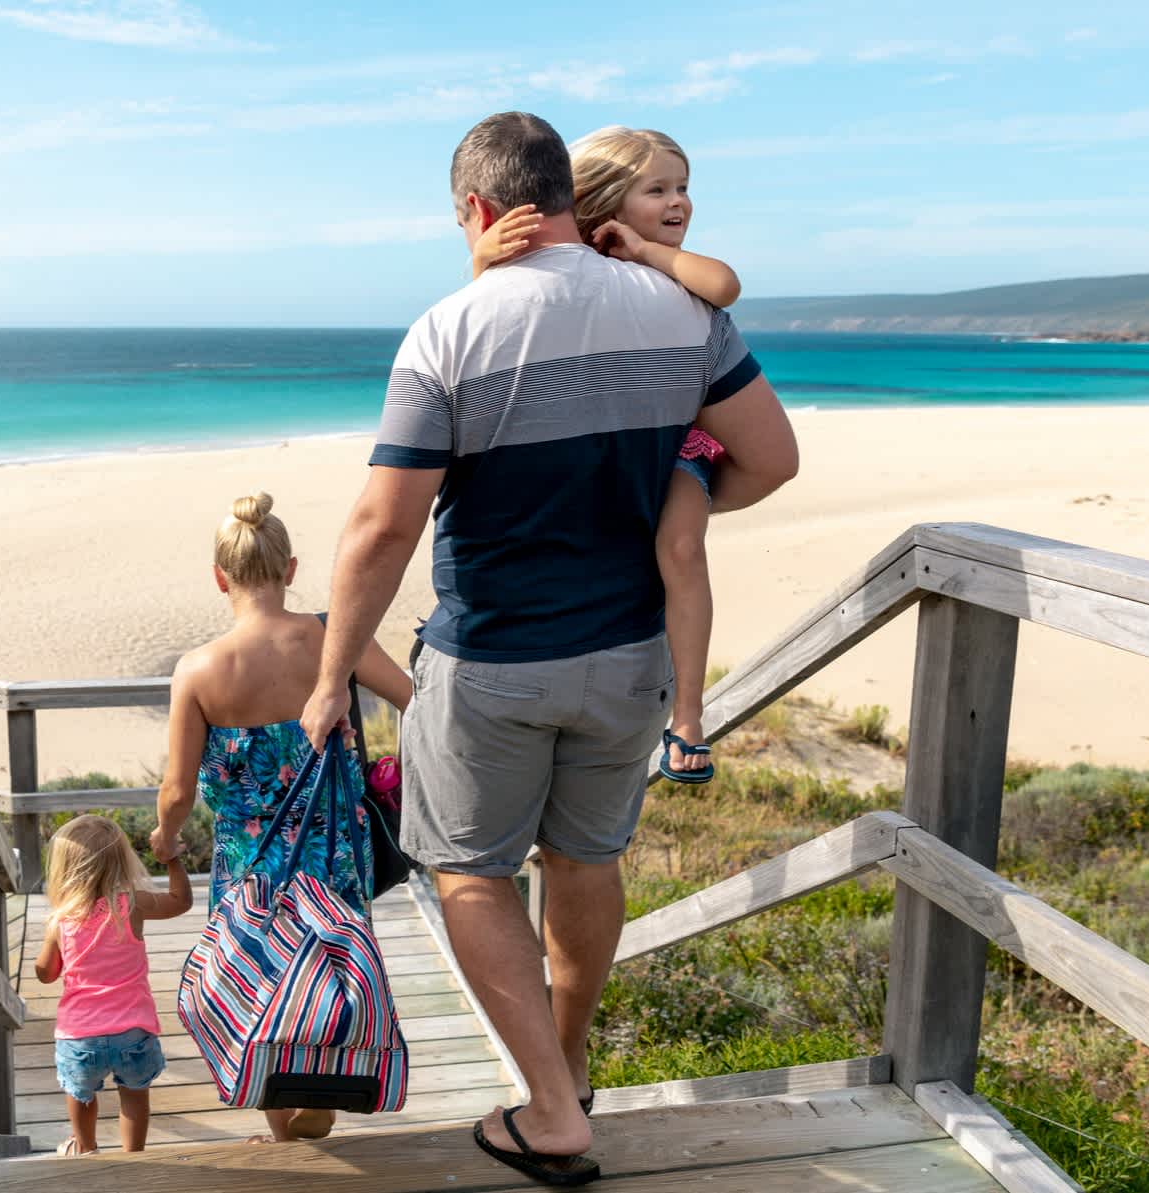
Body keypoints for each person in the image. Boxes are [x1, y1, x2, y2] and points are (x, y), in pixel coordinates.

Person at [300, 112, 796, 1186]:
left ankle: (554, 1111)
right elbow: (774, 458)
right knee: (587, 859)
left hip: (493, 662)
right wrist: (688, 487)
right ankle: (562, 1064)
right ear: (574, 198)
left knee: (472, 874)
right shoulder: (681, 308)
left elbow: (383, 528)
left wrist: (334, 671)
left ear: (478, 212)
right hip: (628, 655)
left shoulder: (448, 328)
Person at [472, 125, 740, 783]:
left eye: (682, 187)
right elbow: (496, 316)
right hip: (617, 441)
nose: (678, 200)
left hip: (680, 442)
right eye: (657, 189)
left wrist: (647, 248)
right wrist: (480, 262)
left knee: (679, 549)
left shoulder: (668, 265)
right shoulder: (574, 266)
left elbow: (724, 284)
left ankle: (687, 717)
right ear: (602, 196)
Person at [149, 491, 413, 1143]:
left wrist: (164, 836)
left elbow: (177, 788)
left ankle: (282, 1120)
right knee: (334, 965)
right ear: (289, 569)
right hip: (332, 852)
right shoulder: (329, 636)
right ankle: (327, 1086)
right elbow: (413, 696)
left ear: (220, 577)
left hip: (249, 860)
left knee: (258, 980)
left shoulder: (198, 671)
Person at [34, 814, 192, 1156]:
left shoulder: (61, 919)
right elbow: (181, 902)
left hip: (80, 1036)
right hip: (133, 1031)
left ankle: (87, 1148)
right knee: (134, 1097)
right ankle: (133, 1155)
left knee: (81, 1094)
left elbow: (46, 973)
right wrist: (172, 859)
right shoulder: (131, 903)